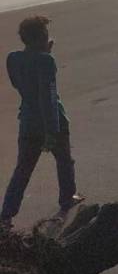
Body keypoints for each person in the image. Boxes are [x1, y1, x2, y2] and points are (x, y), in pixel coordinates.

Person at [1, 16, 83, 230]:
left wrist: (42, 55)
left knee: (23, 169)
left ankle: (6, 214)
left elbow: (19, 83)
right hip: (51, 122)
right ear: (42, 37)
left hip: (27, 122)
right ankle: (67, 197)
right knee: (64, 161)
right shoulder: (46, 61)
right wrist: (51, 131)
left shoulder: (13, 58)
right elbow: (48, 96)